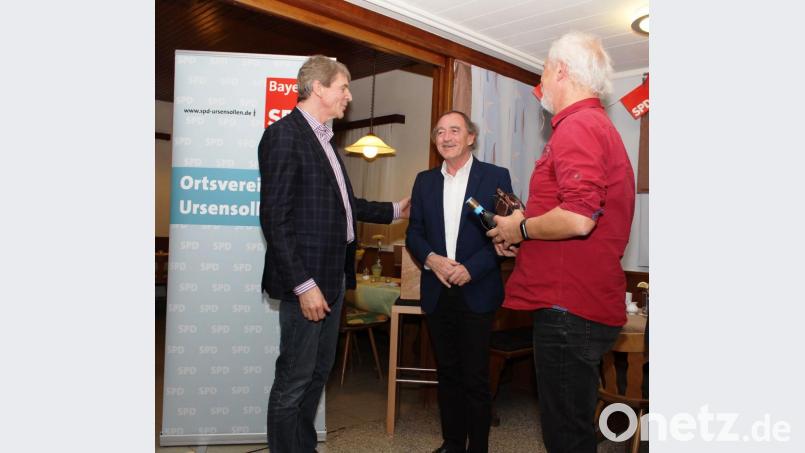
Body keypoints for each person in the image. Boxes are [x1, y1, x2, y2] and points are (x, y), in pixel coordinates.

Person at [486, 32, 636, 453]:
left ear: (561, 71)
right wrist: (522, 234)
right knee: (571, 425)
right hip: (578, 301)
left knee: (566, 435)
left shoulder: (579, 125)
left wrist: (523, 229)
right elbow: (579, 214)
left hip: (570, 307)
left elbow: (577, 218)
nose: (542, 83)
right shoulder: (594, 126)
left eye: (544, 72)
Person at [258, 55, 410, 453]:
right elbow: (275, 221)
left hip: (334, 281)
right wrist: (304, 285)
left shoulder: (325, 140)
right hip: (308, 283)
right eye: (343, 87)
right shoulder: (285, 136)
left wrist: (395, 209)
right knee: (294, 379)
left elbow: (346, 205)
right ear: (319, 88)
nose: (349, 95)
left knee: (316, 375)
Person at [406, 111, 512, 453]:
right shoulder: (424, 181)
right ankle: (452, 443)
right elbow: (414, 233)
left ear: (470, 137)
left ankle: (477, 447)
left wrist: (472, 269)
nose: (446, 137)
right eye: (439, 131)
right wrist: (431, 259)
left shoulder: (495, 177)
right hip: (438, 290)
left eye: (454, 130)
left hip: (477, 289)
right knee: (448, 374)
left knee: (475, 378)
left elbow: (505, 234)